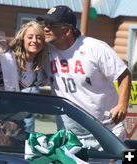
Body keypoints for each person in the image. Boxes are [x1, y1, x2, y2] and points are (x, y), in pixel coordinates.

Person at [36, 5, 131, 143]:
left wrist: (122, 105)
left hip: (105, 129)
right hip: (69, 134)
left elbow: (123, 74)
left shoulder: (95, 48)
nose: (45, 28)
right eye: (45, 24)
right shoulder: (46, 52)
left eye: (52, 25)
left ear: (67, 30)